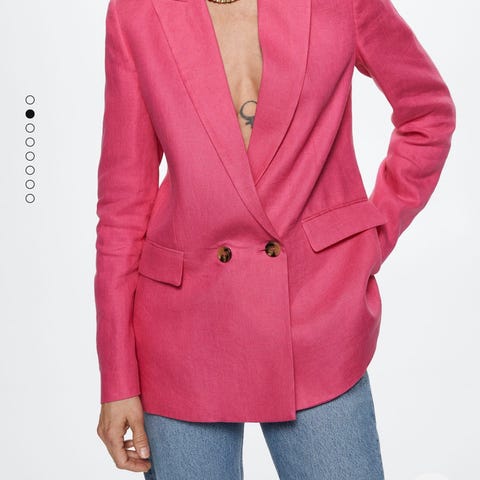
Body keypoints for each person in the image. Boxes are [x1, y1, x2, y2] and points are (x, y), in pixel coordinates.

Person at [94, 0, 456, 478]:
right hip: (183, 333)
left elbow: (427, 115)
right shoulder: (137, 13)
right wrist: (117, 376)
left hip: (315, 317)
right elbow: (124, 206)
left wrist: (370, 235)